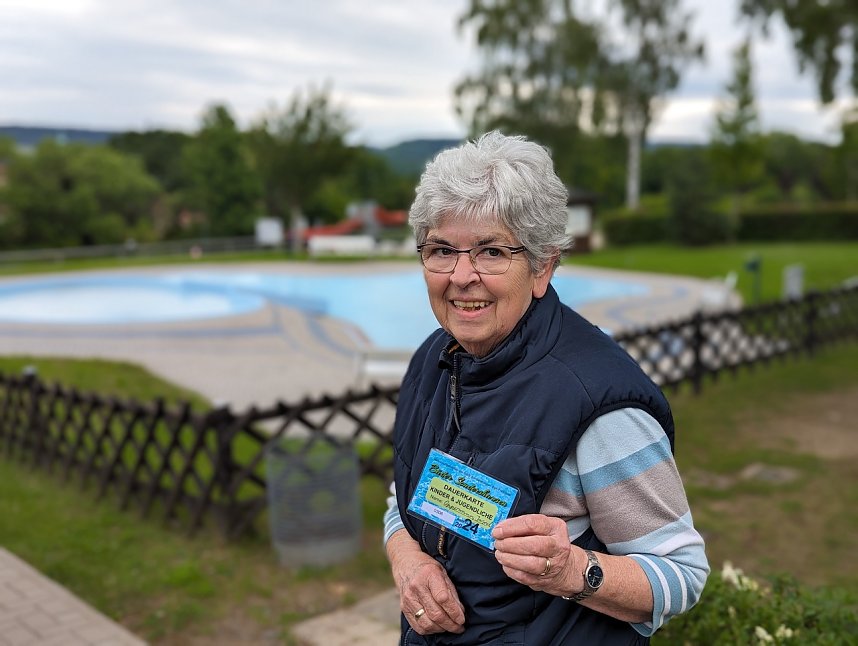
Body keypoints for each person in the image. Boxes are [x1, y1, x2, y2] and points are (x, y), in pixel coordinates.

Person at [383, 131, 709, 645]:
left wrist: (572, 570)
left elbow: (682, 574)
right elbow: (405, 494)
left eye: (491, 251)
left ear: (542, 267)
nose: (461, 275)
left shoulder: (601, 404)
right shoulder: (436, 358)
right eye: (442, 249)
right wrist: (408, 559)